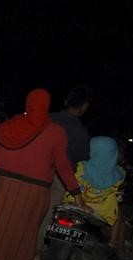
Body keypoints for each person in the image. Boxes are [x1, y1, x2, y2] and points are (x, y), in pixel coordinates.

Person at [0, 88, 89, 260]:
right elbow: (63, 166)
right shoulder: (56, 132)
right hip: (36, 191)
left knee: (2, 223)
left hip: (8, 185)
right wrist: (77, 196)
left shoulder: (16, 124)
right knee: (23, 228)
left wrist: (3, 152)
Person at [38, 84, 93, 249]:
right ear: (84, 106)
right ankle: (34, 249)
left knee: (29, 206)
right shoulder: (80, 131)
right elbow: (81, 156)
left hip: (36, 168)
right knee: (46, 213)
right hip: (60, 178)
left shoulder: (47, 117)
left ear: (65, 101)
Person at [63, 136, 126, 246]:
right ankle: (112, 244)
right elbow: (117, 194)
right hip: (101, 209)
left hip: (74, 200)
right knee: (118, 216)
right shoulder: (120, 175)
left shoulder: (80, 166)